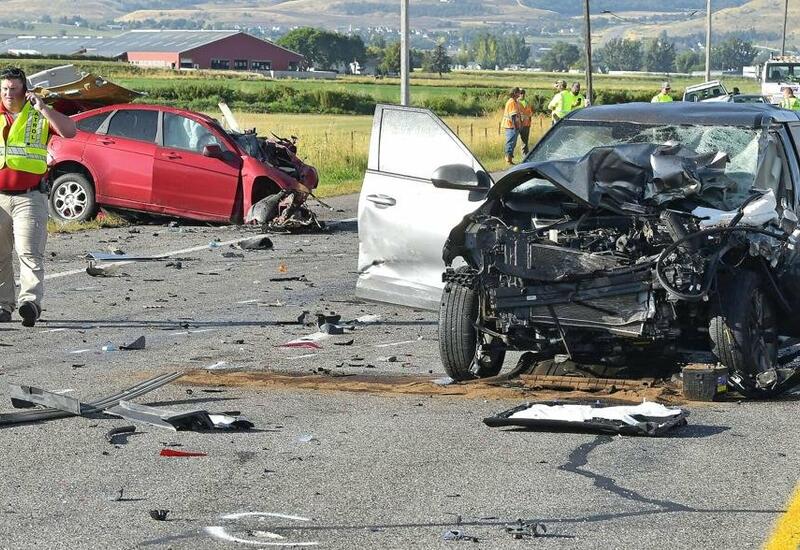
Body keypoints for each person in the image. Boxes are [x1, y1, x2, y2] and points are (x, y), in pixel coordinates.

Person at [0, 67, 76, 326]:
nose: (9, 94)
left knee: (29, 252)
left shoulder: (38, 114)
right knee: (0, 255)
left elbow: (69, 131)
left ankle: (30, 303)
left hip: (29, 197)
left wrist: (43, 108)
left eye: (14, 89)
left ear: (25, 90)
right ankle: (3, 306)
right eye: (5, 89)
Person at [502, 87, 521, 165]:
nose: (520, 94)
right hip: (510, 126)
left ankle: (509, 159)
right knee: (510, 142)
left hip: (512, 126)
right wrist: (516, 127)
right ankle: (508, 159)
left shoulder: (515, 101)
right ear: (515, 93)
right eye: (518, 92)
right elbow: (513, 116)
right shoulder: (512, 102)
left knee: (513, 143)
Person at [517, 88, 533, 156]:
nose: (522, 94)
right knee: (513, 142)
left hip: (526, 125)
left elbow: (530, 114)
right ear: (518, 94)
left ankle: (525, 156)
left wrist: (529, 122)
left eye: (523, 93)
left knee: (525, 142)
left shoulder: (527, 103)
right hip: (518, 125)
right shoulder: (515, 103)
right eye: (521, 93)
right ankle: (509, 158)